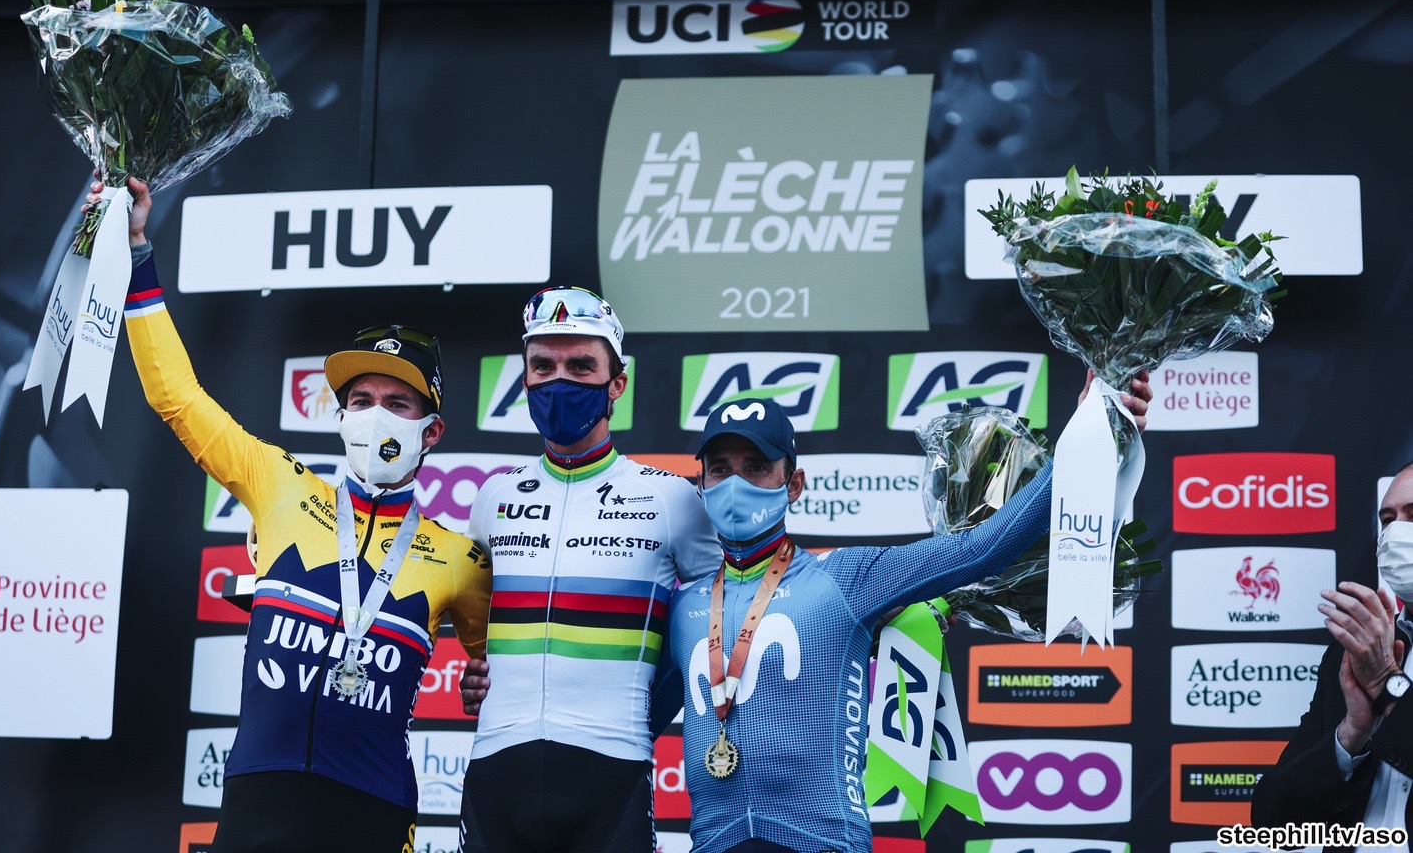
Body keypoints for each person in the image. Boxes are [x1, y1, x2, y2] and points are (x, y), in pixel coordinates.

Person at [102, 175, 491, 853]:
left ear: (431, 431)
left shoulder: (459, 559)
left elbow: (507, 670)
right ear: (340, 417)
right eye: (360, 400)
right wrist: (137, 250)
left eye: (397, 404)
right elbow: (177, 398)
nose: (375, 415)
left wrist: (486, 679)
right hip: (260, 799)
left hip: (373, 812)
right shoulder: (280, 485)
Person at [667, 378, 1151, 853]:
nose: (736, 484)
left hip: (820, 840)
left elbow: (983, 548)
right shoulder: (685, 606)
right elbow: (635, 719)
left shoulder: (846, 578)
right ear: (701, 483)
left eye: (756, 467)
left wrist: (1087, 435)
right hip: (713, 842)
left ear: (793, 484)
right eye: (720, 469)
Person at [455, 286, 718, 853]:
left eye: (580, 366)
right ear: (525, 377)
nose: (559, 381)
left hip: (612, 767)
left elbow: (722, 617)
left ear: (616, 383)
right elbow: (477, 624)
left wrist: (655, 702)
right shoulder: (494, 495)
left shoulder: (671, 498)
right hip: (495, 767)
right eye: (542, 366)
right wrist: (476, 672)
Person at [1252, 463, 1413, 853]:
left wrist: (1387, 686)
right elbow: (1273, 823)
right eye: (1388, 520)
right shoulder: (1356, 652)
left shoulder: (1375, 663)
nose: (1397, 532)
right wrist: (1350, 735)